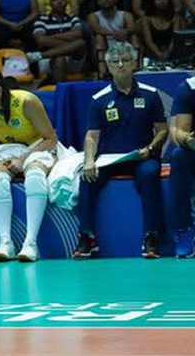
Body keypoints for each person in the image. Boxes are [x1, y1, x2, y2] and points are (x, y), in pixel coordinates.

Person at [73, 42, 167, 259]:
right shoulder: (99, 99)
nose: (121, 65)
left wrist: (151, 148)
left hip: (142, 157)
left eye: (125, 60)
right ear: (108, 66)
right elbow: (91, 135)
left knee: (151, 173)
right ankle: (87, 236)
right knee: (87, 177)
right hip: (109, 159)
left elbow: (162, 131)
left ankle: (151, 237)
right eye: (115, 62)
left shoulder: (151, 94)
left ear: (134, 63)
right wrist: (89, 161)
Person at [0, 73, 58, 262]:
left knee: (34, 174)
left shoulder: (26, 102)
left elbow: (51, 138)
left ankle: (30, 243)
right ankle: (5, 243)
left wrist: (23, 159)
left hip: (39, 146)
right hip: (11, 149)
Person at [164, 75, 195, 257]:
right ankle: (183, 230)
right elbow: (180, 130)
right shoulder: (189, 88)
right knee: (179, 156)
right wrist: (186, 139)